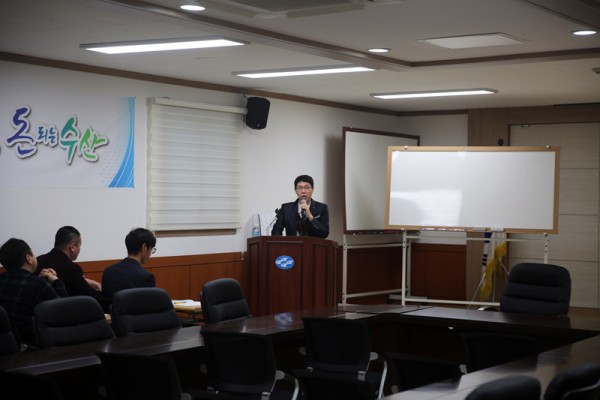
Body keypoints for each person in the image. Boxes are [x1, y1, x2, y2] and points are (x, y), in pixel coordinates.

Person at [0, 238, 68, 346]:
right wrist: (56, 281)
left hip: (7, 348)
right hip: (33, 348)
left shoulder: (4, 280)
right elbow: (63, 312)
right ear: (29, 258)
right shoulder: (38, 285)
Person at [36, 226, 105, 307]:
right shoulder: (71, 269)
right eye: (79, 245)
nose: (80, 249)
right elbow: (91, 298)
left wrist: (84, 280)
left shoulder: (38, 261)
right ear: (73, 247)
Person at [102, 227, 157, 300]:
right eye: (151, 249)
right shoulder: (146, 277)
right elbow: (149, 305)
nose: (150, 254)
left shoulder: (108, 271)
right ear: (144, 247)